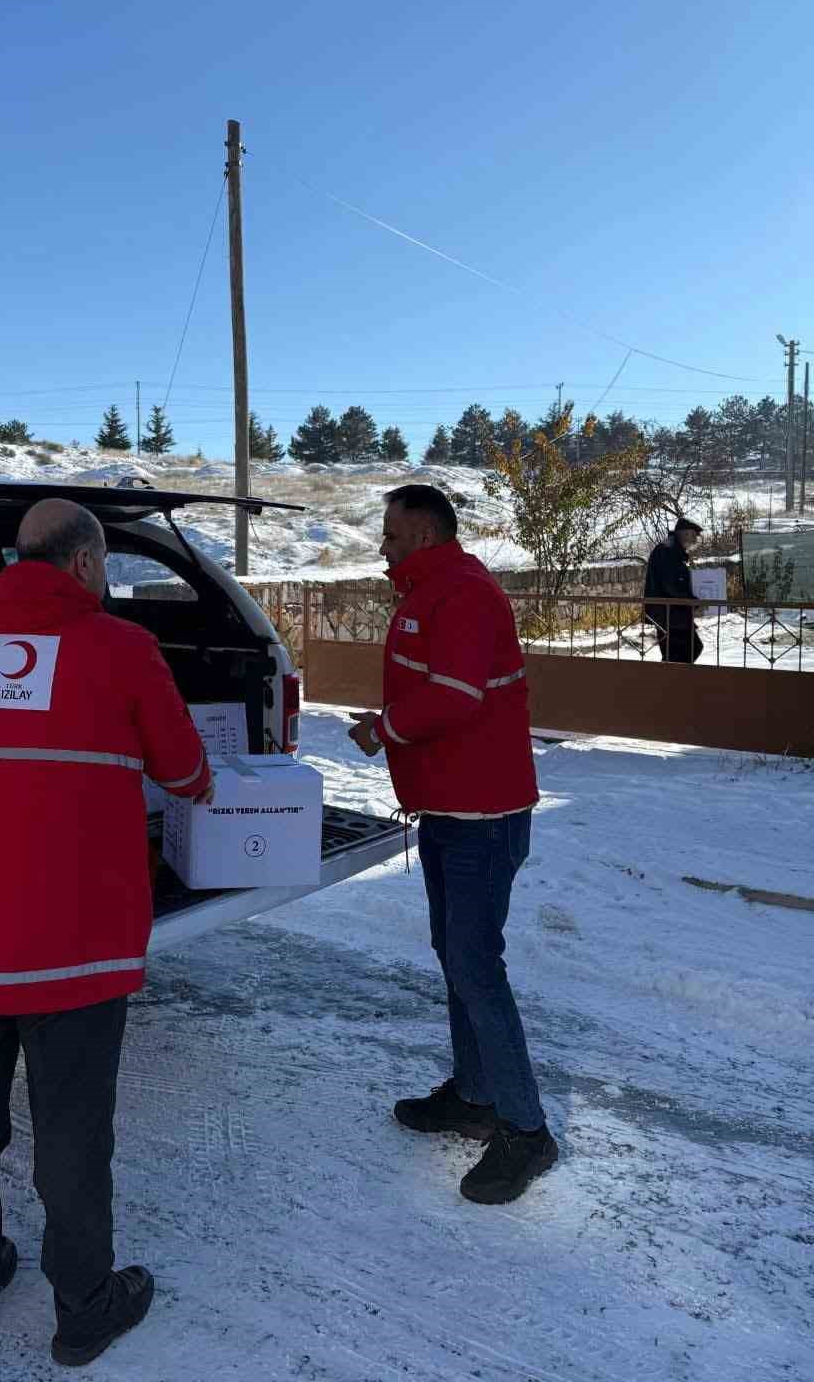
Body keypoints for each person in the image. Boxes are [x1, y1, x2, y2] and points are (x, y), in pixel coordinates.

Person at [0, 498, 213, 1366]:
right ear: (84, 564)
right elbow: (185, 769)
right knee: (72, 1133)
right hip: (74, 945)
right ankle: (83, 1307)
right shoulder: (123, 649)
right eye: (106, 564)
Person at [347, 485, 556, 1205]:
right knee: (457, 957)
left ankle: (526, 1131)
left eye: (393, 532)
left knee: (475, 965)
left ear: (428, 531)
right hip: (450, 809)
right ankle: (474, 1095)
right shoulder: (431, 590)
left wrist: (384, 728)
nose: (384, 545)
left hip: (482, 816)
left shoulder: (461, 592)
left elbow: (456, 695)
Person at [644, 518, 704, 662]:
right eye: (694, 535)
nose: (696, 540)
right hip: (670, 614)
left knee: (686, 650)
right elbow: (671, 585)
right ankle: (670, 682)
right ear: (686, 534)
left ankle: (674, 682)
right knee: (680, 653)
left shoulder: (672, 550)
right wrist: (693, 601)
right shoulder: (668, 551)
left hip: (674, 614)